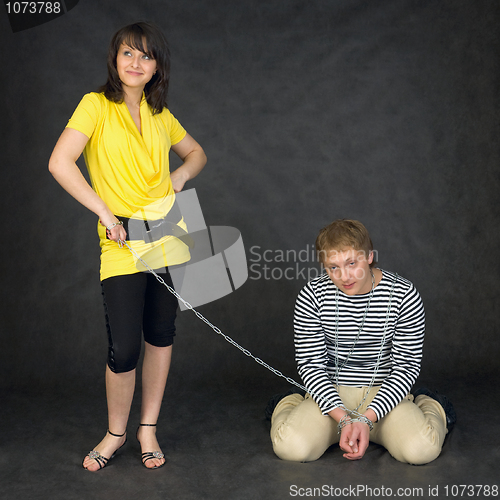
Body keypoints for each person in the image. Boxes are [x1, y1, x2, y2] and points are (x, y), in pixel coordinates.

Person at [49, 22, 207, 471]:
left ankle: (148, 430)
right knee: (124, 349)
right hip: (121, 240)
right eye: (127, 54)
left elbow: (197, 154)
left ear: (157, 67)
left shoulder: (161, 113)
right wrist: (103, 212)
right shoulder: (95, 105)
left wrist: (178, 178)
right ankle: (116, 433)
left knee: (161, 335)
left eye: (146, 56)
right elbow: (60, 162)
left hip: (168, 233)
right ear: (114, 59)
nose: (136, 64)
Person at [268, 219, 455, 464]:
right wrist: (343, 418)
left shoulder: (404, 295)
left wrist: (367, 418)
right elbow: (310, 365)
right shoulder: (311, 296)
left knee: (421, 450)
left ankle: (430, 404)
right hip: (331, 394)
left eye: (351, 263)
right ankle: (290, 401)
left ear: (369, 256)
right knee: (291, 448)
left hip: (384, 394)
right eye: (332, 267)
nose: (343, 276)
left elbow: (406, 367)